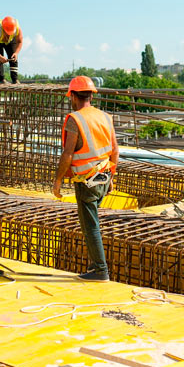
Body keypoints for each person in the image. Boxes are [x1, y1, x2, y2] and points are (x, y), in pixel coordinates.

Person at [52, 75, 119, 282]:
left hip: (86, 181)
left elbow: (68, 154)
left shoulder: (75, 119)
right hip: (104, 176)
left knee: (90, 226)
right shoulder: (105, 116)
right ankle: (94, 267)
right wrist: (112, 178)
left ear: (72, 96)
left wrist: (57, 180)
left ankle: (100, 270)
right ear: (91, 95)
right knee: (92, 222)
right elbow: (115, 150)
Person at [0, 16, 23, 84]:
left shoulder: (17, 28)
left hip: (10, 41)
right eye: (7, 34)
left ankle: (15, 79)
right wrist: (0, 57)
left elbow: (20, 41)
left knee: (13, 56)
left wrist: (16, 53)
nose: (8, 35)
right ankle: (2, 79)